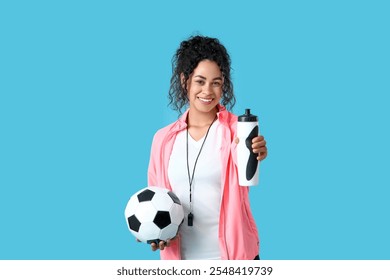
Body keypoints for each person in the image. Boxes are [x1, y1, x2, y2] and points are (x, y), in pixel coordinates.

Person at [147, 35, 268, 260]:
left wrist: (257, 151)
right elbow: (157, 198)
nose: (208, 91)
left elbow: (249, 155)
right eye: (200, 81)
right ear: (185, 81)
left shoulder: (237, 131)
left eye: (216, 82)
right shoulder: (162, 140)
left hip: (235, 260)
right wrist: (153, 233)